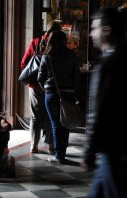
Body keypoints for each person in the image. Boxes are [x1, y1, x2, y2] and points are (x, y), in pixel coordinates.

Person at [81, 6, 127, 197]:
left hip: (114, 155)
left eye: (94, 28)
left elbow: (98, 111)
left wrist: (89, 151)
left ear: (107, 30)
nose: (91, 33)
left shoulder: (106, 65)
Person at [37, 30, 80, 163]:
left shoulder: (47, 56)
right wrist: (71, 88)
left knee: (55, 124)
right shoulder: (71, 54)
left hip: (51, 94)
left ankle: (58, 154)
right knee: (65, 124)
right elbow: (76, 76)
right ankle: (62, 152)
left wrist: (45, 87)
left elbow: (40, 77)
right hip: (68, 93)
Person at [20, 20, 62, 154]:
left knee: (35, 117)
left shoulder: (36, 42)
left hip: (35, 86)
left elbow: (24, 63)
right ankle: (50, 146)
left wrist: (32, 81)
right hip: (51, 87)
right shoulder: (59, 45)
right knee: (52, 116)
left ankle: (33, 146)